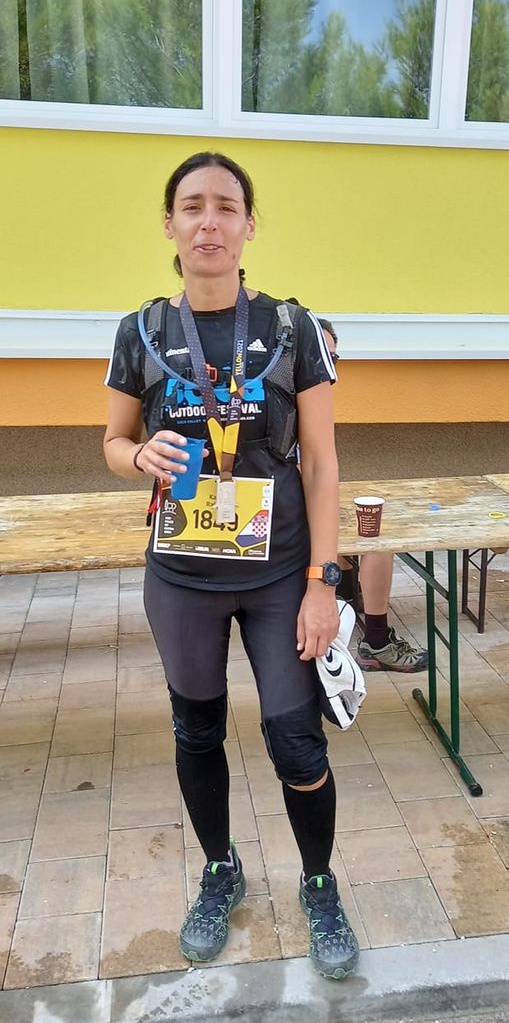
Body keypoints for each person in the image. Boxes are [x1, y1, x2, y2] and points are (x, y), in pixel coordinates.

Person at [103, 151, 359, 981]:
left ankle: (319, 883)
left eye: (225, 206)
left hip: (281, 574)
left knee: (297, 740)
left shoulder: (290, 329)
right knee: (196, 729)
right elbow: (112, 442)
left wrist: (323, 582)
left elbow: (322, 463)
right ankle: (221, 869)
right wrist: (137, 454)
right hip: (182, 578)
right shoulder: (140, 331)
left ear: (249, 225)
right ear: (170, 225)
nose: (208, 221)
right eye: (192, 206)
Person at [317, 319, 428, 674]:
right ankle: (376, 639)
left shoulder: (316, 396)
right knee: (376, 540)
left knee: (365, 530)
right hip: (275, 516)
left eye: (334, 358)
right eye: (320, 356)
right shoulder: (282, 399)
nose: (330, 369)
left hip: (310, 503)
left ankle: (350, 608)